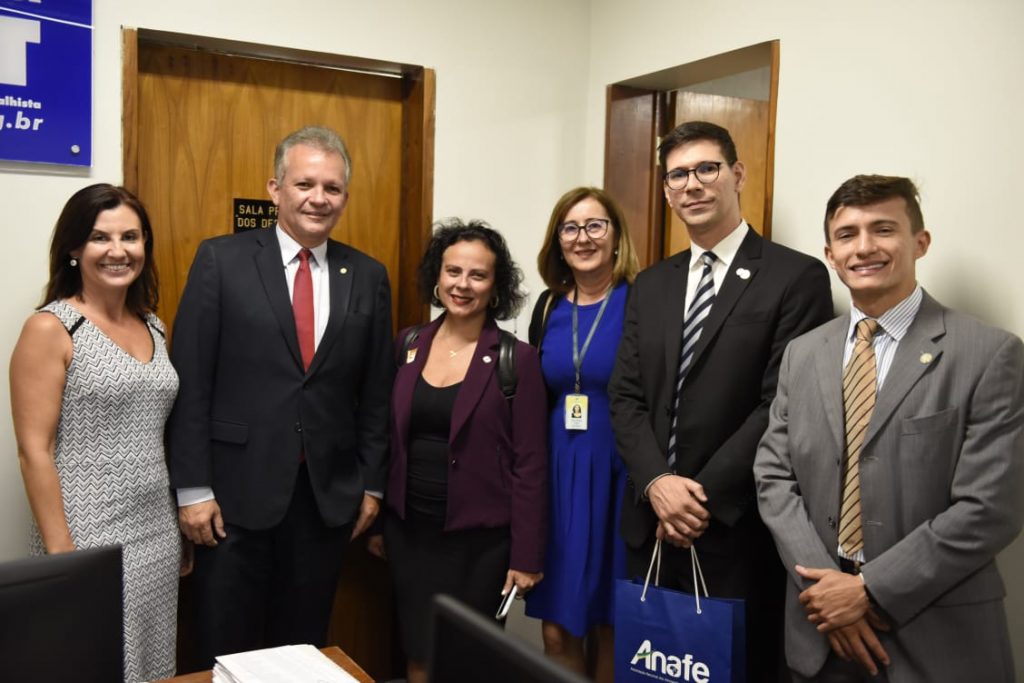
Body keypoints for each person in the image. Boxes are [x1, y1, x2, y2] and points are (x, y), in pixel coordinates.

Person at [755, 175, 1024, 682]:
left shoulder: (989, 354)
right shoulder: (802, 354)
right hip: (820, 633)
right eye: (847, 235)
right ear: (830, 255)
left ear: (920, 242)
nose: (864, 247)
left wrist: (867, 590)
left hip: (936, 639)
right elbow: (773, 477)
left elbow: (991, 508)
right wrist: (827, 589)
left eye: (883, 229)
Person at [608, 120, 833, 682]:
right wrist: (658, 484)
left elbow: (780, 405)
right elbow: (626, 395)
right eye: (678, 175)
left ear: (737, 174)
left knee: (733, 670)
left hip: (733, 527)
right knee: (652, 670)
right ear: (666, 191)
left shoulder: (795, 276)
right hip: (649, 522)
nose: (692, 184)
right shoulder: (651, 284)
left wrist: (696, 499)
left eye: (706, 168)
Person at [167, 125, 393, 667]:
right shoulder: (221, 260)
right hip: (231, 499)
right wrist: (192, 489)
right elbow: (191, 382)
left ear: (345, 197)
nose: (319, 198)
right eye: (304, 184)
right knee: (226, 650)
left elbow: (376, 394)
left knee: (301, 651)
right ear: (275, 189)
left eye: (332, 188)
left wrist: (371, 485)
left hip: (324, 502)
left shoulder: (367, 275)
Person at [10, 184, 181, 682]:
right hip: (85, 535)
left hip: (156, 532)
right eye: (100, 238)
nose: (117, 250)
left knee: (152, 665)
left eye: (130, 236)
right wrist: (63, 558)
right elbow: (34, 451)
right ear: (73, 249)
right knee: (93, 663)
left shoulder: (155, 327)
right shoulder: (52, 328)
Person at [371, 219, 547, 683]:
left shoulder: (517, 360)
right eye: (453, 271)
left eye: (477, 275)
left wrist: (526, 555)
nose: (462, 285)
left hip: (480, 545)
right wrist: (382, 522)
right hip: (411, 534)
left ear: (496, 286)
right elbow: (390, 440)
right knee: (418, 652)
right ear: (437, 275)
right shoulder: (409, 344)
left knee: (470, 662)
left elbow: (531, 465)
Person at [524, 187, 639, 682]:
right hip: (557, 478)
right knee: (557, 630)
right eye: (570, 228)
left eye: (595, 225)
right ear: (558, 240)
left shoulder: (641, 301)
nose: (582, 238)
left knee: (613, 626)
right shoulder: (548, 306)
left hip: (619, 476)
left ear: (616, 236)